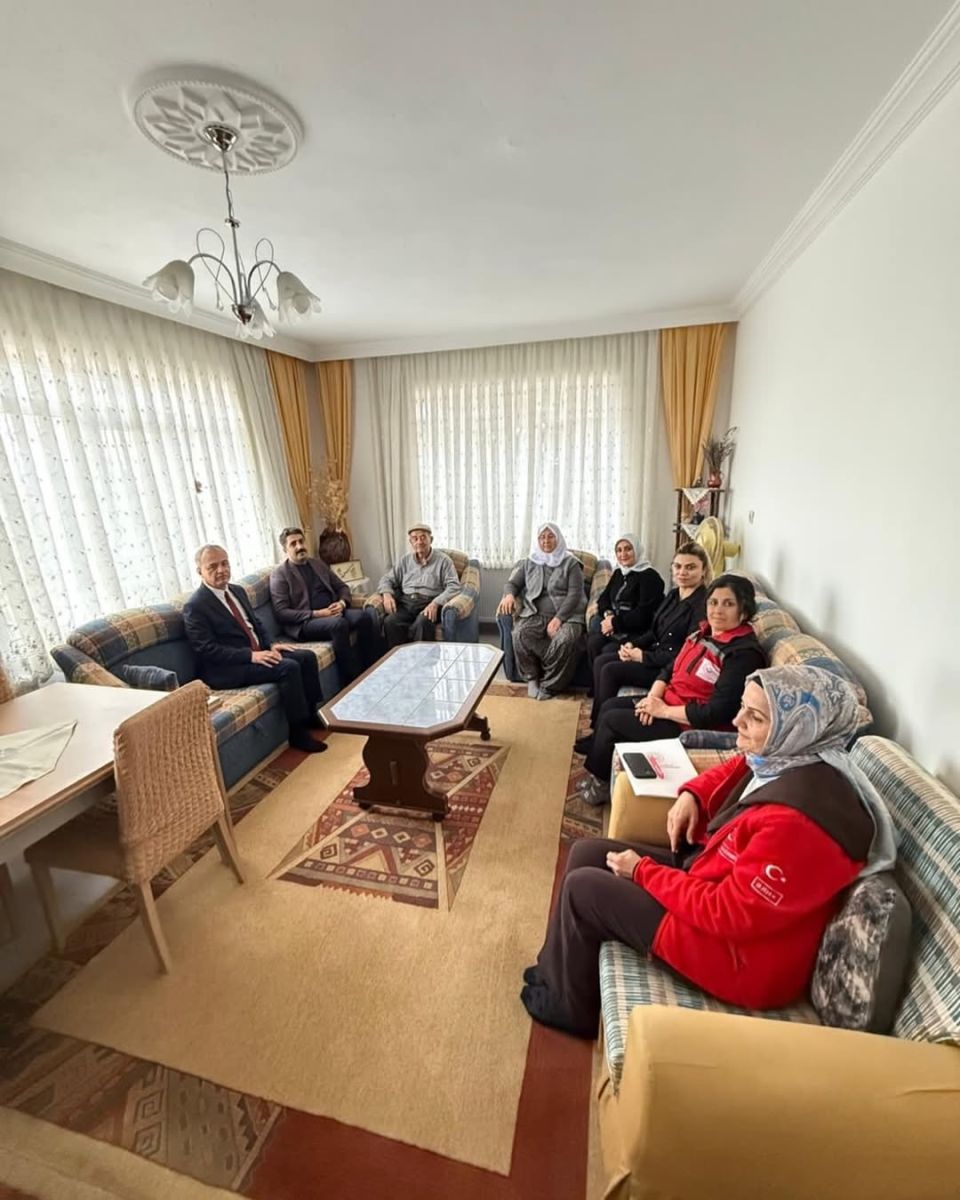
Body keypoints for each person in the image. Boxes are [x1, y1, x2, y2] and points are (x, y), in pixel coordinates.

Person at [521, 665, 898, 1038]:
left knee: (585, 889)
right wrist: (693, 794)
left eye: (755, 717)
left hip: (737, 960)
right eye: (743, 708)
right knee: (586, 852)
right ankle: (557, 974)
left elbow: (727, 913)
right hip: (715, 884)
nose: (736, 721)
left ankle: (570, 1009)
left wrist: (642, 872)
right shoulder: (790, 760)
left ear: (799, 728)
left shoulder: (799, 823)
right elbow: (736, 768)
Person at [577, 574, 765, 802]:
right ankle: (600, 770)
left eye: (728, 604)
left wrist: (663, 711)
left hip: (686, 723)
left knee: (611, 720)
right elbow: (670, 668)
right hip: (668, 701)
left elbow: (717, 712)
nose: (717, 610)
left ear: (743, 611)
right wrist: (653, 697)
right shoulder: (703, 632)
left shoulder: (743, 655)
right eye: (713, 602)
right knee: (609, 706)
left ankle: (600, 784)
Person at [183, 544, 326, 754]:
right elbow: (207, 649)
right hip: (228, 668)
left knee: (306, 657)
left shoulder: (237, 591)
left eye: (224, 563)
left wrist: (272, 644)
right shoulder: (195, 606)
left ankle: (311, 714)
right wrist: (251, 655)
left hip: (258, 652)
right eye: (213, 567)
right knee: (288, 668)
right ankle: (298, 733)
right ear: (199, 571)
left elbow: (256, 624)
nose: (221, 570)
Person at [582, 542, 709, 732]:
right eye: (678, 566)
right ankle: (596, 725)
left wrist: (642, 656)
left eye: (690, 567)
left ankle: (599, 729)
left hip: (667, 668)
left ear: (703, 570)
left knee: (609, 670)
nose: (682, 572)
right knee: (601, 660)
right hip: (654, 652)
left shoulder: (703, 606)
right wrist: (632, 644)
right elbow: (654, 630)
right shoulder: (674, 594)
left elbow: (684, 655)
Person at [269, 527, 381, 684]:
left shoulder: (317, 564)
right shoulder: (280, 574)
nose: (299, 546)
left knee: (364, 617)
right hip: (307, 622)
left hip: (333, 611)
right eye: (293, 544)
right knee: (338, 625)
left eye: (301, 541)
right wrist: (318, 613)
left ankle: (372, 668)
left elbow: (342, 587)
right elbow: (282, 613)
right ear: (284, 549)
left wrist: (342, 603)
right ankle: (350, 681)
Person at [496, 522, 586, 700]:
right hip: (535, 612)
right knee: (520, 634)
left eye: (550, 536)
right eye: (542, 537)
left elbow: (575, 594)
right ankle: (532, 677)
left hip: (568, 615)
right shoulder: (530, 561)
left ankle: (550, 685)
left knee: (565, 640)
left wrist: (559, 619)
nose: (546, 541)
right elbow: (512, 583)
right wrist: (509, 595)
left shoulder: (571, 563)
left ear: (558, 538)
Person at [585, 535, 664, 671]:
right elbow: (603, 599)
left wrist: (614, 623)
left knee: (608, 650)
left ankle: (607, 682)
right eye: (619, 550)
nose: (623, 554)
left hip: (637, 632)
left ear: (637, 550)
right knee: (592, 643)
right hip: (614, 628)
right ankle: (595, 682)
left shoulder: (650, 577)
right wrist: (608, 615)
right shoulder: (619, 573)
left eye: (628, 549)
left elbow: (643, 614)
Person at [376, 524, 461, 647]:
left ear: (431, 540)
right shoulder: (405, 561)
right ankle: (399, 658)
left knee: (422, 623)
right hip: (406, 604)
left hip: (429, 603)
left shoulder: (444, 561)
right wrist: (387, 594)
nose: (419, 542)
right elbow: (387, 579)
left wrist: (436, 603)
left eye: (423, 537)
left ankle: (423, 658)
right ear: (411, 542)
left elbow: (454, 586)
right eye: (415, 538)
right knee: (390, 622)